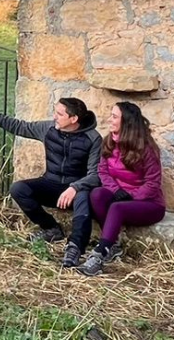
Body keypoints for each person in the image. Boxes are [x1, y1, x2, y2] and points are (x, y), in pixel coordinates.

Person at [0, 97, 101, 242]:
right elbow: (20, 127)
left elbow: (94, 174)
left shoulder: (93, 139)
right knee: (18, 189)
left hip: (75, 191)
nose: (55, 117)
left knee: (83, 197)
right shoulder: (48, 129)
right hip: (50, 184)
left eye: (60, 114)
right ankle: (51, 228)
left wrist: (75, 188)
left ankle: (76, 244)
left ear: (73, 119)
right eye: (55, 112)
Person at [67, 101, 166, 275]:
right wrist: (115, 190)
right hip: (120, 197)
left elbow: (153, 184)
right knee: (96, 194)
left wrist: (131, 195)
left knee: (117, 207)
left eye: (114, 116)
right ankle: (113, 244)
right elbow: (102, 171)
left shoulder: (147, 149)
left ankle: (100, 254)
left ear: (126, 121)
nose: (109, 119)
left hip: (149, 204)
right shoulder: (109, 142)